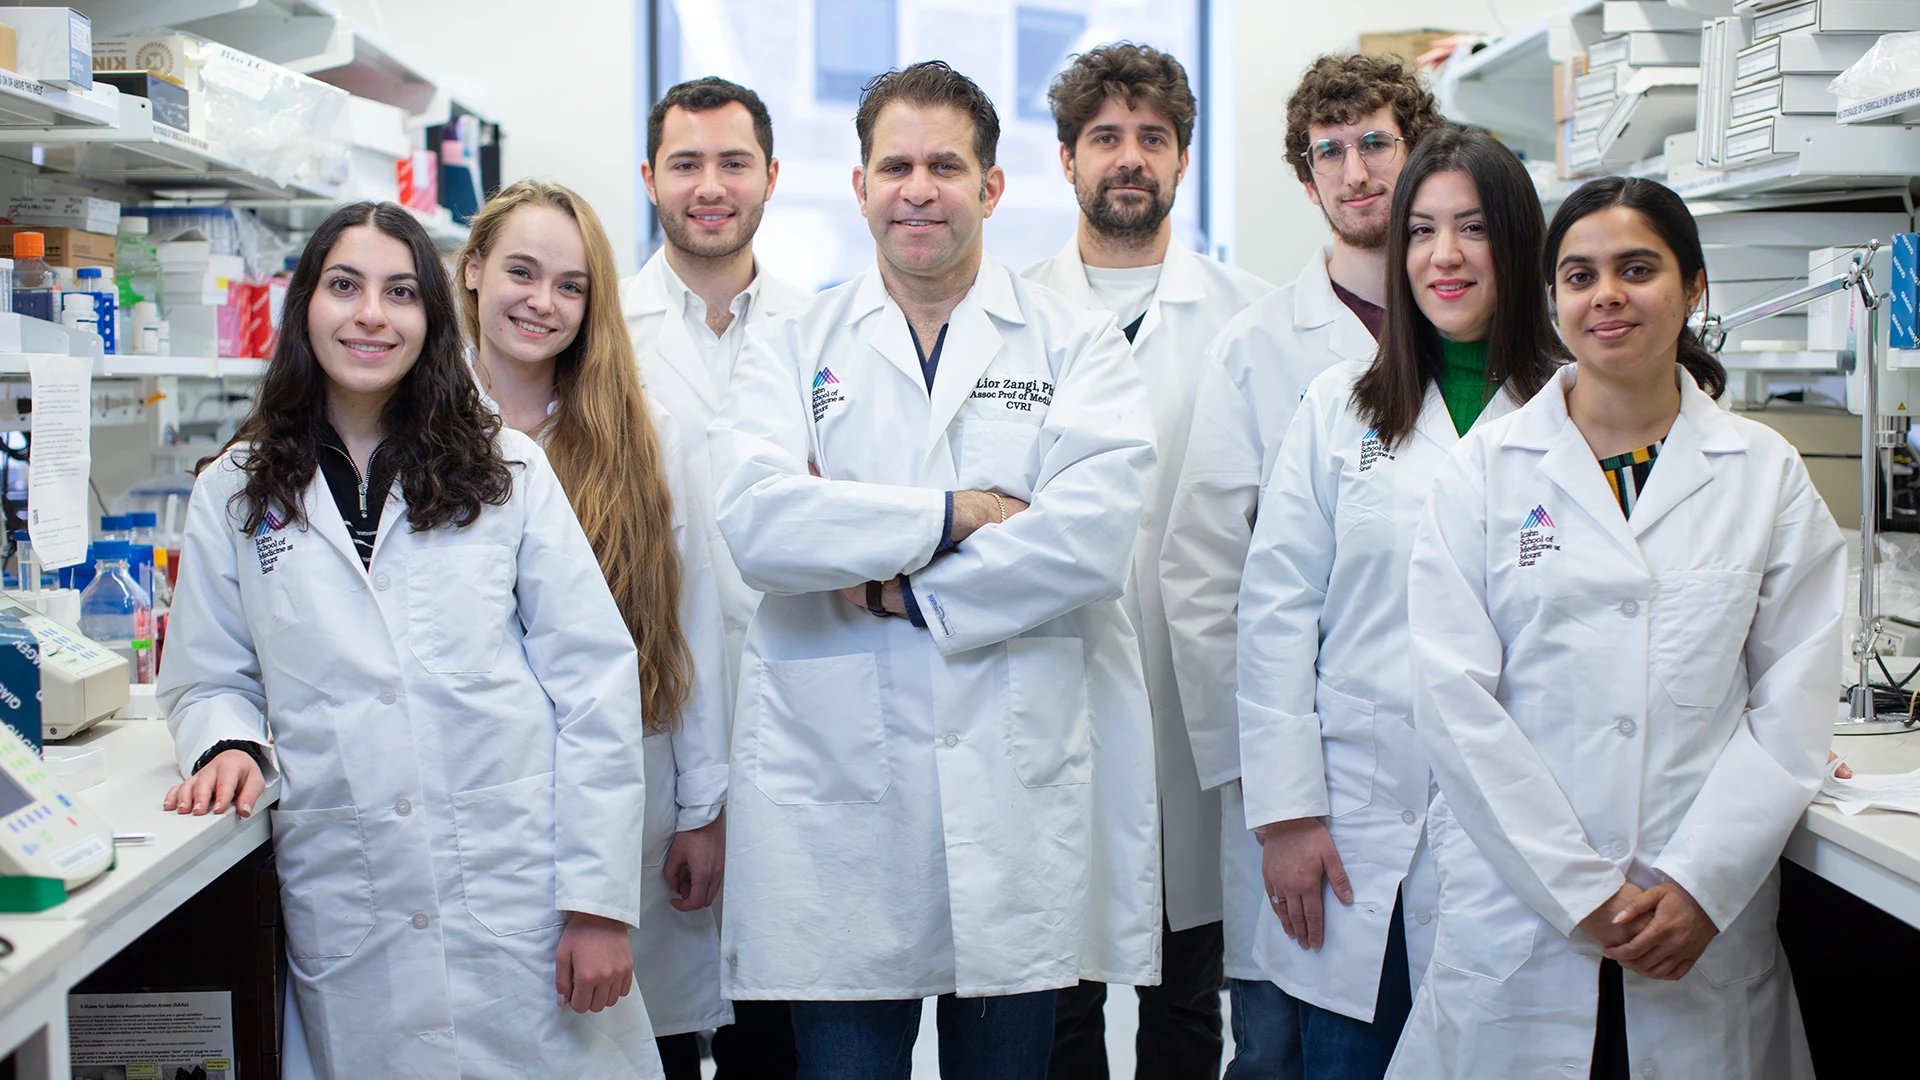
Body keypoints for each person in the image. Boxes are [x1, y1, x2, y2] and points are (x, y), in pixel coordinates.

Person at [710, 60, 1159, 1079]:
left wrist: (887, 581)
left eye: (946, 166)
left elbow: (1087, 539)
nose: (920, 189)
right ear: (861, 186)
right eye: (896, 165)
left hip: (1012, 787)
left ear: (992, 188)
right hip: (838, 796)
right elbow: (760, 524)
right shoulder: (791, 342)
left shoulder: (1074, 342)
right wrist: (960, 513)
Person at [156, 202, 664, 1078]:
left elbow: (594, 681)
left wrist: (597, 905)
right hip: (355, 905)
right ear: (304, 304)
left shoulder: (506, 468)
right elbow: (207, 677)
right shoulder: (236, 490)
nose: (370, 315)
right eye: (344, 286)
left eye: (400, 292)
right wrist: (228, 742)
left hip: (522, 895)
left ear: (430, 316)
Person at [1387, 175, 1843, 1080]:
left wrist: (1702, 887)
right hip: (1522, 920)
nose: (1608, 296)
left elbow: (1793, 704)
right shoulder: (1485, 473)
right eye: (1580, 275)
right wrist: (1580, 891)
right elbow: (1453, 702)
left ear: (1694, 289)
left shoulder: (1765, 473)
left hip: (1700, 925)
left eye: (1638, 270)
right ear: (1552, 300)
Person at [1234, 125, 1560, 1080]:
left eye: (1472, 229)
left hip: (1526, 832)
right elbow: (1276, 611)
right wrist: (1287, 815)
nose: (1444, 256)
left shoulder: (1571, 412)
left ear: (1522, 242)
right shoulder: (1339, 406)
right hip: (1356, 831)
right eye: (1421, 230)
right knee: (1350, 1059)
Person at [1156, 53, 1446, 1077]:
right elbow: (1204, 580)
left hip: (1454, 771)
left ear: (1419, 156)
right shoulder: (1260, 346)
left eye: (1376, 143)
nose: (1357, 171)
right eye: (1331, 152)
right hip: (1301, 777)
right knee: (1279, 1041)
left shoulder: (1484, 336)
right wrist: (1269, 790)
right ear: (1306, 175)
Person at [1021, 43, 1273, 1078]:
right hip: (1048, 691)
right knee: (1055, 998)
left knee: (1188, 993)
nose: (1130, 159)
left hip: (1193, 698)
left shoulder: (1248, 319)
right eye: (1106, 139)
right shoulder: (1010, 312)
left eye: (1152, 139)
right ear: (1067, 159)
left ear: (1182, 159)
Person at [458, 178, 732, 1080]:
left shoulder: (644, 432)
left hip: (627, 794)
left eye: (571, 286)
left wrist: (703, 810)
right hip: (474, 796)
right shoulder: (416, 431)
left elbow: (690, 625)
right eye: (522, 273)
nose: (543, 303)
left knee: (629, 1040)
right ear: (471, 271)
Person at [624, 75, 813, 674]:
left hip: (800, 657)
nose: (710, 188)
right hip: (652, 660)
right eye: (685, 165)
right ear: (650, 180)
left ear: (771, 177)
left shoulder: (822, 331)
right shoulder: (601, 332)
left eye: (734, 163)